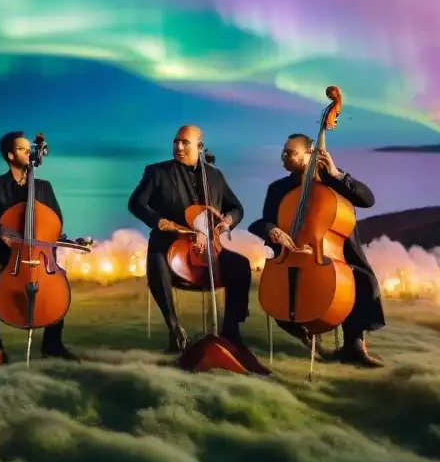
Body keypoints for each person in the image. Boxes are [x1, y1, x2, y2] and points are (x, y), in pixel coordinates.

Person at [128, 125, 261, 368]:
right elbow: (136, 203)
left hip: (210, 246)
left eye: (185, 143)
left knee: (240, 266)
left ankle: (231, 332)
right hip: (170, 244)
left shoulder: (215, 176)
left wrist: (227, 221)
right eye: (175, 142)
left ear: (200, 147)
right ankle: (174, 328)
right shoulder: (157, 172)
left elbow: (236, 208)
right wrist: (158, 222)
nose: (178, 147)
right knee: (156, 259)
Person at [248, 133, 385, 367]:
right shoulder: (278, 189)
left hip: (336, 251)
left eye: (290, 152)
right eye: (283, 151)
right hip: (290, 254)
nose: (283, 156)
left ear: (309, 154)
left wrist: (336, 174)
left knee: (364, 281)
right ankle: (305, 334)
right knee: (285, 294)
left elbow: (368, 200)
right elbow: (263, 221)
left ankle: (354, 345)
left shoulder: (332, 179)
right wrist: (272, 230)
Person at [0, 131, 79, 365]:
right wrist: (1, 231)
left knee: (59, 282)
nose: (28, 151)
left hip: (41, 255)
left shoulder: (43, 187)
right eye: (21, 148)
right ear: (10, 155)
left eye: (29, 147)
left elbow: (55, 225)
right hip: (6, 257)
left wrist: (61, 242)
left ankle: (52, 344)